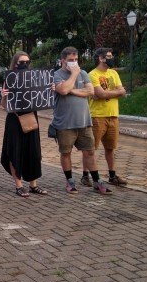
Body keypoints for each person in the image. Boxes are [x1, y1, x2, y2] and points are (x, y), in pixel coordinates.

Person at [52, 47, 113, 195]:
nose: (74, 63)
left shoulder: (84, 73)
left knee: (90, 152)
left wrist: (71, 90)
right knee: (66, 152)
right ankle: (70, 180)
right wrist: (73, 74)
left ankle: (97, 181)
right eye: (70, 60)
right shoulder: (57, 74)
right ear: (63, 61)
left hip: (84, 122)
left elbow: (90, 92)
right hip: (65, 123)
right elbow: (63, 90)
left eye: (76, 60)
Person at [0, 52, 48, 197]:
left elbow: (42, 98)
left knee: (33, 152)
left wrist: (48, 91)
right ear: (15, 64)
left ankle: (33, 185)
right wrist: (4, 96)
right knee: (15, 151)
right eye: (21, 62)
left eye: (27, 61)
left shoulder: (35, 78)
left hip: (31, 118)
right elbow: (5, 105)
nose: (25, 64)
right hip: (15, 120)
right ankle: (19, 185)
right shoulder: (10, 79)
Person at [80, 48, 128, 187]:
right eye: (109, 56)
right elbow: (100, 94)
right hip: (97, 116)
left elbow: (123, 91)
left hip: (113, 115)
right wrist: (115, 92)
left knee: (110, 148)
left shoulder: (113, 73)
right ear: (101, 58)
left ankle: (112, 175)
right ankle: (85, 175)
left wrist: (108, 93)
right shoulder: (92, 75)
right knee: (90, 148)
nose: (112, 58)